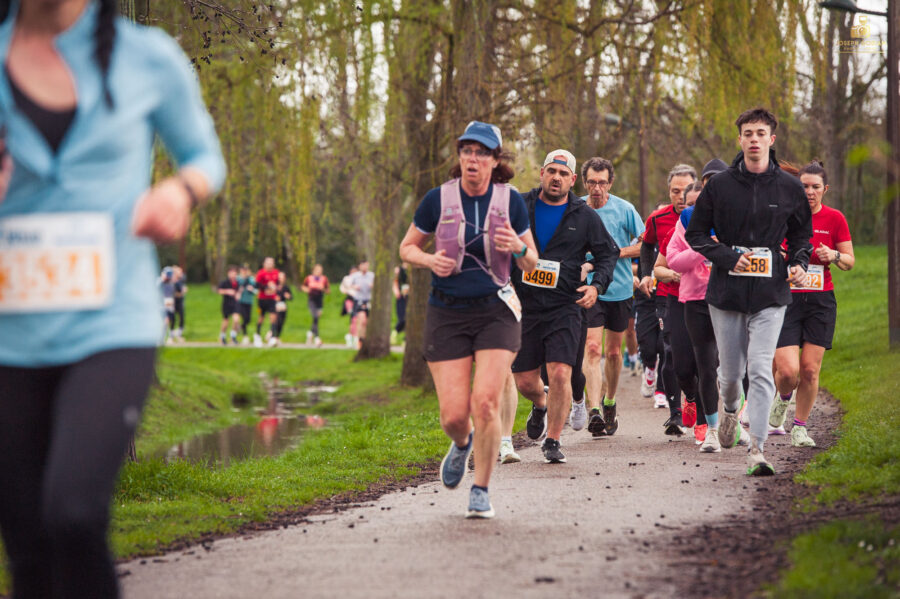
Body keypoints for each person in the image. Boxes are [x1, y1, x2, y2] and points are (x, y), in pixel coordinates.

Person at [0, 0, 225, 596]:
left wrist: (178, 191)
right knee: (26, 549)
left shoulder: (146, 57)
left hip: (111, 325)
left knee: (74, 513)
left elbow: (204, 157)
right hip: (9, 336)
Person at [398, 120, 536, 518]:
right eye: (466, 151)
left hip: (496, 311)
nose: (472, 159)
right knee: (454, 416)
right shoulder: (437, 199)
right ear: (459, 156)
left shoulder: (510, 201)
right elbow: (407, 248)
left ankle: (481, 489)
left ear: (495, 160)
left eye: (481, 153)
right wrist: (429, 260)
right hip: (447, 312)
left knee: (486, 402)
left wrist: (517, 247)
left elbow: (531, 261)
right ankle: (462, 442)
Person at [686, 107, 811, 476]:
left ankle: (757, 449)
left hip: (770, 294)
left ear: (772, 139)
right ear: (740, 140)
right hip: (727, 292)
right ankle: (728, 410)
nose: (754, 139)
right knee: (729, 375)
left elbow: (801, 235)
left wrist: (798, 262)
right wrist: (727, 257)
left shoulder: (789, 187)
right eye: (748, 133)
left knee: (759, 369)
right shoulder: (720, 186)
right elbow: (696, 234)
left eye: (760, 133)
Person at [511, 149, 619, 464]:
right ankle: (541, 404)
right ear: (542, 173)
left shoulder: (584, 216)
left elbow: (608, 253)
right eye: (551, 171)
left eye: (563, 174)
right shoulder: (520, 206)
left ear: (572, 180)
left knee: (560, 371)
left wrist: (597, 286)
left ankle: (553, 440)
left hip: (565, 306)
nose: (556, 178)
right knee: (525, 381)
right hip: (524, 305)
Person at [770, 160, 854, 447]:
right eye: (804, 186)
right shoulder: (783, 216)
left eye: (815, 187)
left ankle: (800, 428)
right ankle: (783, 397)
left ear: (825, 189)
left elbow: (849, 261)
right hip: (786, 299)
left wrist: (834, 255)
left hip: (820, 302)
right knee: (788, 372)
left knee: (809, 370)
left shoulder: (835, 219)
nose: (809, 192)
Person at [577, 157, 644, 437]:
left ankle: (609, 402)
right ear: (584, 182)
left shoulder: (624, 209)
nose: (597, 188)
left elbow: (645, 243)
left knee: (614, 352)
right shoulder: (577, 208)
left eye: (602, 183)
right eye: (592, 182)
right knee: (592, 348)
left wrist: (614, 253)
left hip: (619, 289)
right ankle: (593, 409)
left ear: (610, 183)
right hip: (589, 288)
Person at [640, 164, 697, 434]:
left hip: (701, 296)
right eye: (675, 191)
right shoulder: (658, 218)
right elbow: (646, 246)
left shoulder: (709, 217)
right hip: (668, 294)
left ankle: (695, 402)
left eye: (685, 190)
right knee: (670, 351)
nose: (680, 196)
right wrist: (646, 274)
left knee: (701, 355)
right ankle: (675, 413)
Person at [254, 257, 280, 347]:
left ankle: (272, 337)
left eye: (271, 263)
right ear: (264, 264)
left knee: (273, 317)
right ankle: (257, 335)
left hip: (272, 299)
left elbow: (278, 283)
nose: (269, 265)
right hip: (262, 299)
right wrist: (266, 287)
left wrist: (275, 288)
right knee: (261, 317)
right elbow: (257, 285)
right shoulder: (261, 273)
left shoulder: (276, 272)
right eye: (268, 263)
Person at [348, 260, 374, 348]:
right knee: (362, 320)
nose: (365, 267)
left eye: (366, 265)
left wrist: (372, 286)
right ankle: (359, 340)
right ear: (360, 266)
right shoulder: (355, 276)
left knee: (367, 322)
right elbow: (348, 285)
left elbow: (377, 286)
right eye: (363, 265)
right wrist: (354, 287)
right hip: (359, 300)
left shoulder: (371, 275)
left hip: (368, 300)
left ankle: (365, 339)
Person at [302, 264, 329, 347]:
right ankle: (317, 338)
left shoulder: (324, 279)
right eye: (317, 270)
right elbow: (303, 287)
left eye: (321, 270)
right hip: (311, 300)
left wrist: (323, 289)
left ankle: (310, 333)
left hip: (319, 301)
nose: (319, 271)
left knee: (316, 319)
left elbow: (328, 291)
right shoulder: (308, 278)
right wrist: (308, 290)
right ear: (313, 270)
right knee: (315, 316)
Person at [217, 266, 241, 345]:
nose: (233, 275)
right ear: (228, 274)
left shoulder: (237, 283)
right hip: (227, 304)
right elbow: (219, 291)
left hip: (235, 303)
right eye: (231, 273)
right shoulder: (225, 282)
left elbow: (239, 291)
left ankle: (233, 336)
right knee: (226, 321)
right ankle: (222, 336)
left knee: (236, 319)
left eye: (234, 273)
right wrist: (227, 291)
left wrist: (238, 295)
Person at [269, 271, 292, 347]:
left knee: (281, 322)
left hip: (283, 306)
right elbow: (269, 293)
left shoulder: (286, 287)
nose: (281, 279)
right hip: (275, 305)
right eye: (280, 277)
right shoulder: (275, 286)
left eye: (282, 277)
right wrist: (275, 297)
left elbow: (291, 297)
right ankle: (273, 335)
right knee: (275, 320)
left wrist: (288, 296)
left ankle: (276, 336)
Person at [237, 264, 257, 344]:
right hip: (240, 301)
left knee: (248, 319)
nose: (244, 271)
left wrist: (252, 289)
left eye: (245, 270)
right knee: (244, 317)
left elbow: (256, 290)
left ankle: (241, 327)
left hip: (249, 301)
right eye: (243, 270)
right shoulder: (238, 279)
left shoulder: (251, 279)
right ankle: (245, 336)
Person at [339, 265, 359, 347]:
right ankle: (353, 336)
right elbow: (342, 288)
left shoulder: (359, 278)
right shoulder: (347, 279)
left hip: (357, 300)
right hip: (350, 300)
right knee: (353, 318)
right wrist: (348, 290)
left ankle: (351, 336)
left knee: (355, 319)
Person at [390, 263, 409, 345]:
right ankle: (394, 333)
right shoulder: (398, 270)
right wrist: (396, 291)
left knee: (409, 320)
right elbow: (394, 281)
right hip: (401, 298)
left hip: (409, 298)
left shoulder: (414, 270)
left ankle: (405, 340)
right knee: (402, 319)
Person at [159, 267, 177, 344]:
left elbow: (172, 293)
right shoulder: (159, 282)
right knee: (165, 321)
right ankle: (161, 338)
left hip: (170, 304)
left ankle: (170, 338)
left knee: (172, 320)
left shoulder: (171, 283)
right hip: (162, 304)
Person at [172, 265, 187, 341]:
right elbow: (173, 293)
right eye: (179, 271)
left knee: (181, 317)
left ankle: (179, 334)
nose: (181, 273)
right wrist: (182, 292)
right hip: (173, 302)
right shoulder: (172, 282)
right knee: (172, 319)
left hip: (180, 302)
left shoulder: (180, 281)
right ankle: (171, 335)